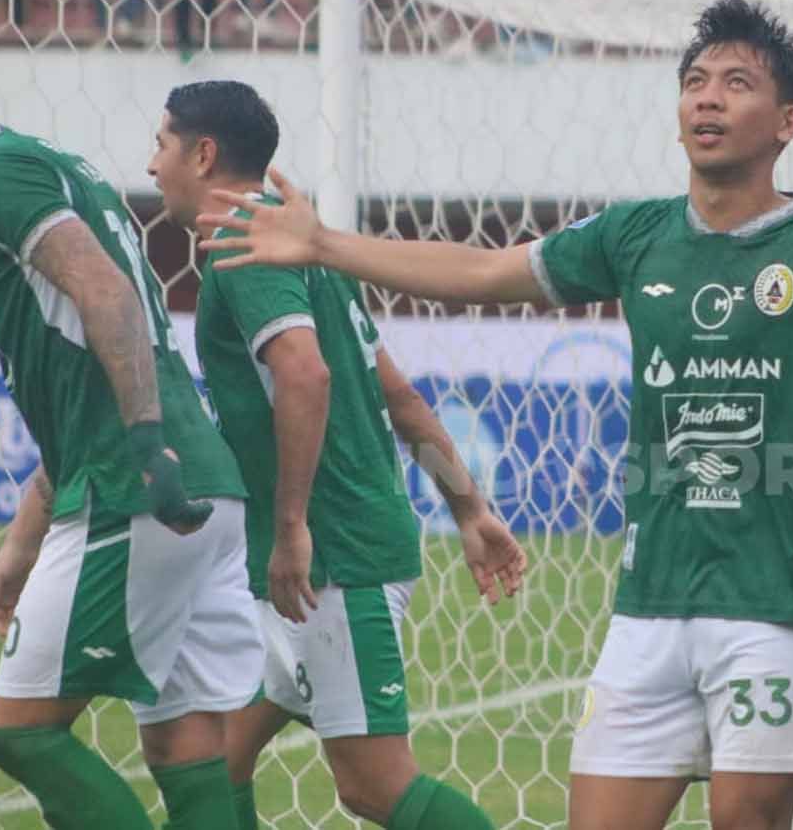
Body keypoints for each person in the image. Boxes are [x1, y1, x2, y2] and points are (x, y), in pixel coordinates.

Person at [195, 0, 793, 830]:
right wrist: (323, 241)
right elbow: (482, 271)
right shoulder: (635, 234)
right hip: (649, 604)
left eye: (735, 83)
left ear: (787, 120)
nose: (706, 97)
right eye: (694, 80)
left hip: (776, 606)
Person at [0, 56, 262, 829]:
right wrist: (18, 546)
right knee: (184, 741)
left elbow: (106, 293)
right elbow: (80, 381)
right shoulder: (59, 168)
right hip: (204, 486)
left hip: (135, 486)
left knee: (21, 731)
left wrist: (142, 444)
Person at [147, 79, 524, 830]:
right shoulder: (305, 251)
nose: (152, 165)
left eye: (160, 145)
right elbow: (405, 401)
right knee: (214, 757)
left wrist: (291, 526)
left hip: (334, 557)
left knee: (373, 785)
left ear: (203, 153)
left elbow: (305, 373)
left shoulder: (242, 249)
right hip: (314, 559)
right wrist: (470, 508)